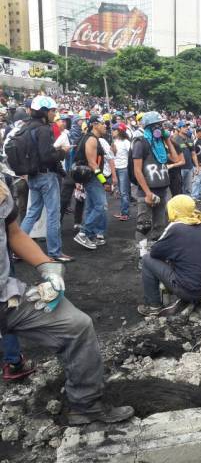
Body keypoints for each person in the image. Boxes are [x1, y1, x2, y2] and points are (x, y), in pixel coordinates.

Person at [0, 178, 134, 424]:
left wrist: (48, 267)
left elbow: (14, 233)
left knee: (76, 326)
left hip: (6, 295)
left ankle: (85, 405)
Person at [138, 195, 201, 317]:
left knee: (146, 259)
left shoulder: (176, 227)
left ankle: (153, 306)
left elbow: (155, 252)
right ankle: (185, 297)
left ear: (174, 210)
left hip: (189, 289)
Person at [19, 96, 74, 263]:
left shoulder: (26, 127)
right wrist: (63, 151)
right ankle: (55, 252)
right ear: (44, 111)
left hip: (33, 175)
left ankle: (18, 248)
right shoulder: (44, 129)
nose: (54, 114)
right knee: (52, 214)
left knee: (32, 213)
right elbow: (47, 156)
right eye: (52, 111)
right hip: (46, 176)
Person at [132, 111, 180, 260]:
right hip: (147, 192)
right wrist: (147, 193)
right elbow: (137, 171)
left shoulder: (160, 144)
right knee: (144, 225)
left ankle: (156, 255)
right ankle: (143, 257)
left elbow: (176, 158)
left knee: (160, 226)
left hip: (162, 191)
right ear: (150, 127)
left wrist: (168, 141)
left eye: (162, 124)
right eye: (158, 125)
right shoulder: (141, 143)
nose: (162, 127)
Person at [73, 115, 109, 250]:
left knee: (93, 205)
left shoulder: (94, 138)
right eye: (103, 124)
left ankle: (90, 235)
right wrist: (104, 180)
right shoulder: (92, 139)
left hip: (91, 176)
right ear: (95, 124)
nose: (105, 126)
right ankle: (83, 233)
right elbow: (93, 164)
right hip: (92, 177)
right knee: (100, 206)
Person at [111, 122, 131, 221]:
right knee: (121, 191)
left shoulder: (126, 142)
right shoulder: (114, 141)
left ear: (119, 131)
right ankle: (123, 211)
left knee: (124, 192)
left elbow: (131, 154)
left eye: (114, 130)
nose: (112, 132)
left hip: (124, 168)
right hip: (117, 168)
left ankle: (125, 213)